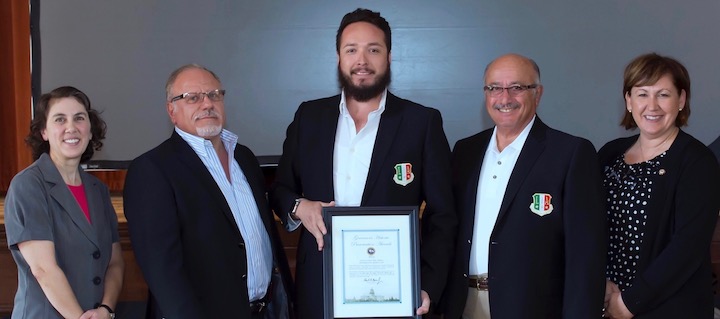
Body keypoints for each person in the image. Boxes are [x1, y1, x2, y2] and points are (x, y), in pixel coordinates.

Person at [268, 8, 457, 318]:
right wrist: (298, 205)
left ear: (390, 56)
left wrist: (428, 285)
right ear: (339, 57)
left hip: (394, 289)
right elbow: (281, 190)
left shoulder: (421, 122)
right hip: (320, 284)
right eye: (351, 49)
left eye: (373, 50)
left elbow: (443, 215)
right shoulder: (309, 118)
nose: (362, 61)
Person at [439, 53, 608, 318]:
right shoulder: (465, 151)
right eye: (494, 88)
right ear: (486, 94)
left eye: (517, 88)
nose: (504, 98)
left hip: (533, 308)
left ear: (537, 94)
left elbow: (585, 255)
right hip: (464, 304)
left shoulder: (570, 153)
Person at [123, 64, 294, 318]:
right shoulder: (152, 170)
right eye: (192, 98)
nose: (207, 104)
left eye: (214, 95)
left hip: (267, 310)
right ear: (172, 110)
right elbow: (162, 270)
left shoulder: (244, 158)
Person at [598, 53, 720, 318]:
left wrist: (630, 303)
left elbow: (687, 248)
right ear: (628, 101)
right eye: (642, 94)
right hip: (608, 302)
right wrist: (600, 285)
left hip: (667, 308)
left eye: (663, 94)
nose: (651, 106)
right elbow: (587, 225)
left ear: (682, 100)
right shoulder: (609, 154)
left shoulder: (697, 161)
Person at [4, 86, 124, 319]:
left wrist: (106, 310)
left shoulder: (98, 190)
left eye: (79, 118)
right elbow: (43, 270)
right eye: (60, 119)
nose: (71, 127)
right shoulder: (28, 185)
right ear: (44, 132)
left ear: (90, 131)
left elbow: (115, 262)